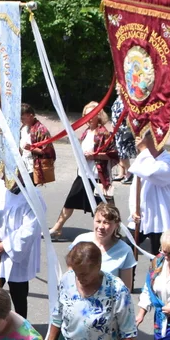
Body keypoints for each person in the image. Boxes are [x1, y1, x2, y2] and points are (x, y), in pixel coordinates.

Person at [0, 178, 44, 319]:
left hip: (15, 256)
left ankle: (21, 329)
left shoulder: (32, 196)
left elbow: (31, 228)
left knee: (18, 296)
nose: (2, 177)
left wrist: (6, 245)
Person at [50, 101, 116, 238]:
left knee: (104, 210)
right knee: (70, 202)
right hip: (83, 175)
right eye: (86, 115)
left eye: (91, 115)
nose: (88, 118)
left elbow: (114, 155)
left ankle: (111, 234)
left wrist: (94, 156)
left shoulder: (104, 133)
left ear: (98, 115)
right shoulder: (87, 132)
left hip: (98, 177)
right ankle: (57, 228)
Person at [128, 133, 170, 256]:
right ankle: (129, 275)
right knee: (127, 251)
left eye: (143, 139)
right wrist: (133, 210)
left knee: (158, 258)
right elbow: (135, 188)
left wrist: (143, 150)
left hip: (159, 220)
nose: (138, 142)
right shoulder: (144, 157)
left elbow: (151, 172)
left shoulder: (169, 161)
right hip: (140, 216)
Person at [70, 203, 136, 290]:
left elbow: (126, 289)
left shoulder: (125, 250)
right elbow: (69, 277)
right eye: (98, 221)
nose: (101, 227)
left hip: (109, 301)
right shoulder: (80, 241)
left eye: (106, 223)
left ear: (116, 225)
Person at [19, 103, 56, 185]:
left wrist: (32, 148)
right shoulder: (23, 128)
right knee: (20, 191)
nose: (21, 121)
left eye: (23, 118)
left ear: (31, 116)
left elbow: (48, 153)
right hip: (22, 165)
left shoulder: (41, 130)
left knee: (21, 190)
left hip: (34, 167)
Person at [110, 96, 136, 184]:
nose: (117, 88)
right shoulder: (119, 98)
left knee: (123, 153)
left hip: (124, 130)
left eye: (119, 86)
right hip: (117, 130)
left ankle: (129, 173)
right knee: (120, 152)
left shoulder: (128, 99)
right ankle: (122, 173)